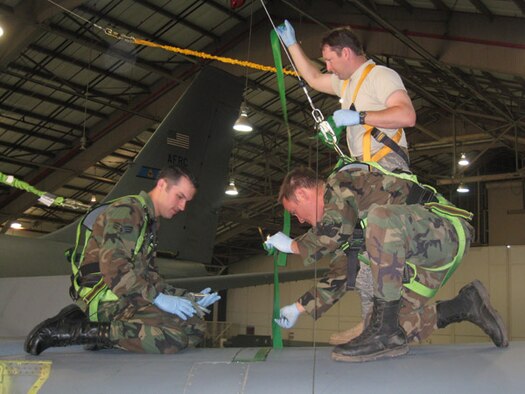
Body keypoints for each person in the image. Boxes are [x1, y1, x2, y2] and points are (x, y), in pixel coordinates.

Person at [265, 165, 508, 362]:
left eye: (296, 212)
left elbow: (333, 231)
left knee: (381, 219)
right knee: (394, 328)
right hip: (427, 260)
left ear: (302, 194)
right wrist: (297, 308)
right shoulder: (349, 222)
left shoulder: (340, 183)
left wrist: (292, 246)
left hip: (444, 231)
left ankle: (383, 332)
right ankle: (466, 305)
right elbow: (341, 274)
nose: (300, 220)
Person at [276, 21, 417, 342]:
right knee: (361, 249)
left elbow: (407, 116)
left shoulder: (381, 76)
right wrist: (292, 44)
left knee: (348, 211)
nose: (326, 66)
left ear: (347, 53)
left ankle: (374, 321)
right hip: (368, 175)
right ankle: (372, 321)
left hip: (387, 170)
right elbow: (311, 79)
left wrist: (360, 117)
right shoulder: (347, 84)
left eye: (330, 60)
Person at [25, 167, 221, 355]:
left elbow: (150, 277)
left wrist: (188, 297)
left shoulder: (148, 220)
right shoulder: (128, 210)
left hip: (127, 298)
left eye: (187, 200)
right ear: (162, 185)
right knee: (173, 338)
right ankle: (80, 331)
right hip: (109, 301)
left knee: (195, 326)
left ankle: (109, 336)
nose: (183, 206)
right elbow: (114, 269)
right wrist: (157, 299)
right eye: (180, 197)